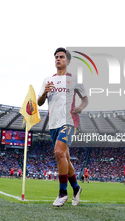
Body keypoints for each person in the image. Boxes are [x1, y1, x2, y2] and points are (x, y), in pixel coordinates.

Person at [38, 47, 88, 207]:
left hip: (69, 121)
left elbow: (85, 99)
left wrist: (81, 107)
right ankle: (76, 187)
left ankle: (62, 193)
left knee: (58, 152)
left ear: (68, 61)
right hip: (53, 124)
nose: (58, 59)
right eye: (56, 57)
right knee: (64, 157)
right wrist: (44, 93)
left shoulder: (74, 80)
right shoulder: (47, 80)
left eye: (61, 57)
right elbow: (39, 102)